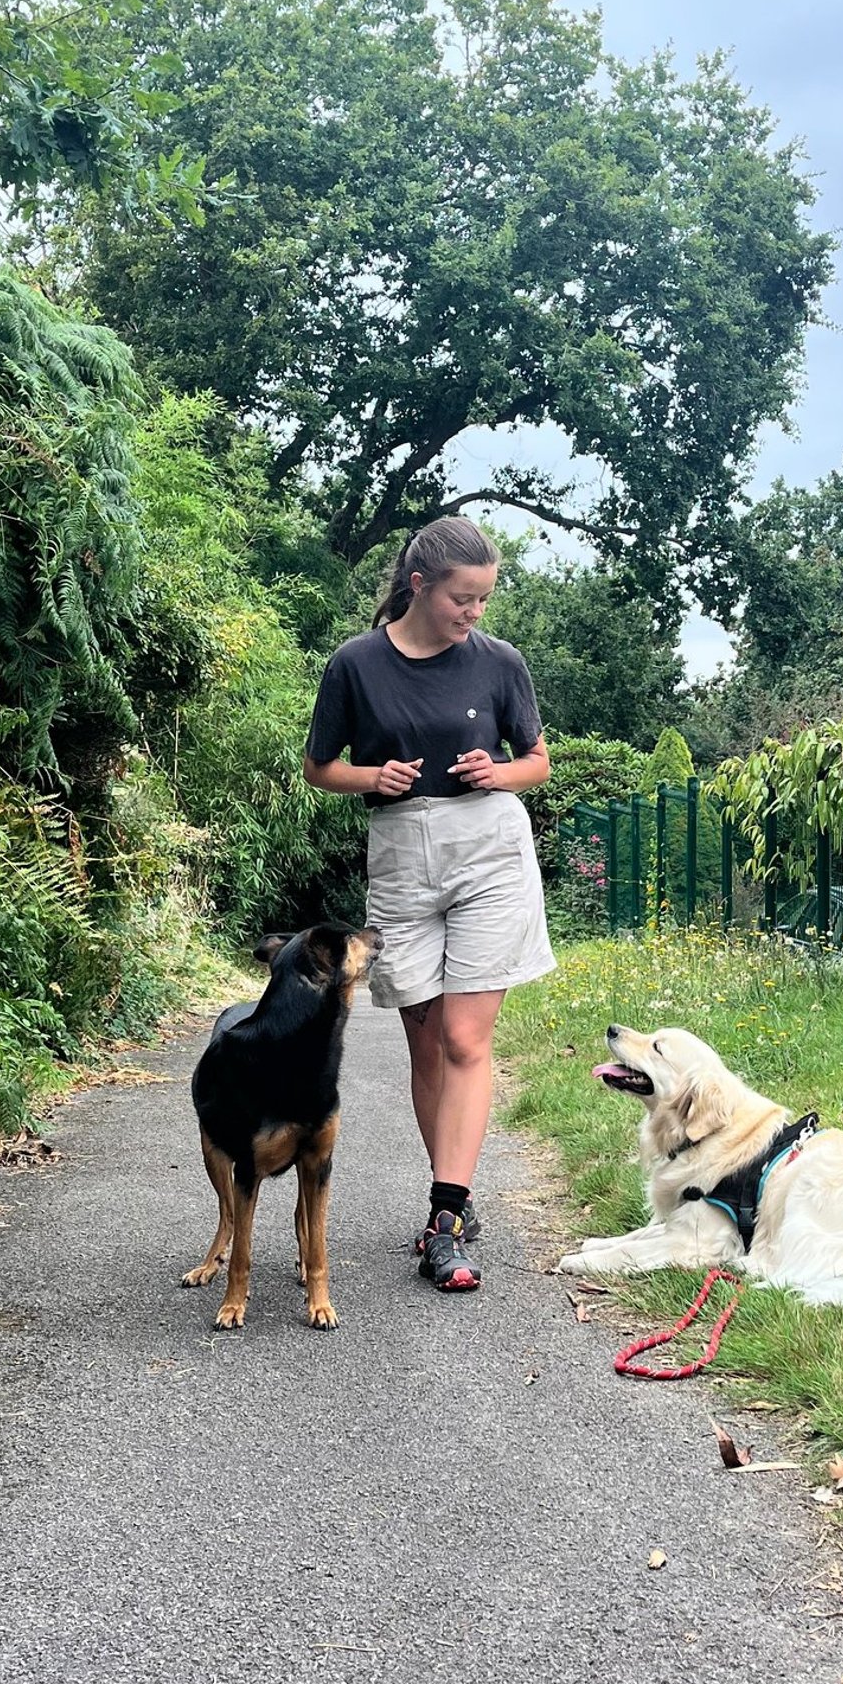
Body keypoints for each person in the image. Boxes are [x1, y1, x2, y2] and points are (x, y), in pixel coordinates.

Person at [302, 517, 554, 1293]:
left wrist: (499, 773)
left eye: (483, 600)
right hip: (404, 856)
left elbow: (538, 762)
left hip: (489, 851)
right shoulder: (356, 664)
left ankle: (446, 1215)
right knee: (428, 1043)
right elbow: (319, 768)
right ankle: (454, 1190)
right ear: (420, 586)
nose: (474, 613)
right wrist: (370, 778)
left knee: (466, 1039)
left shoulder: (500, 663)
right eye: (462, 598)